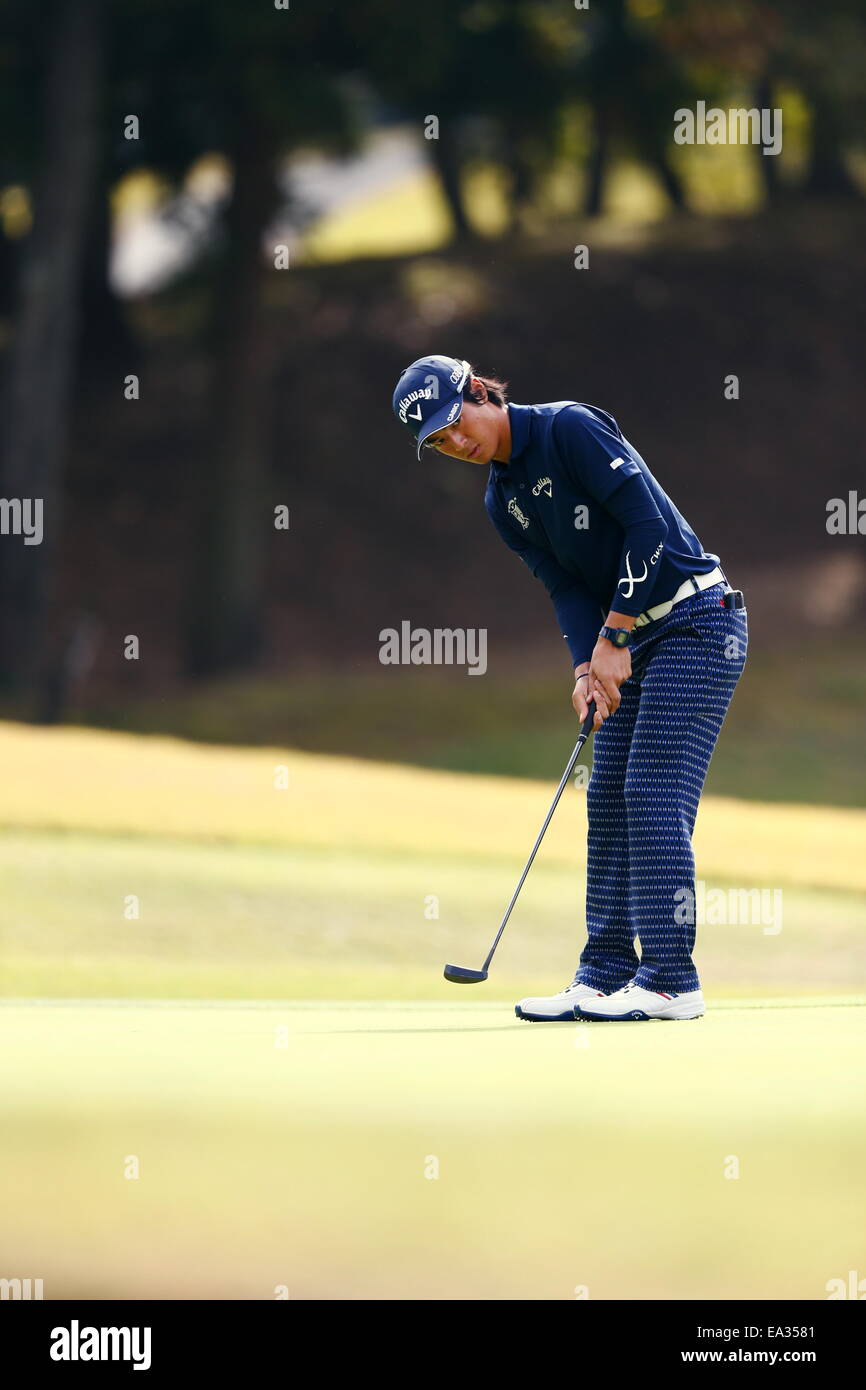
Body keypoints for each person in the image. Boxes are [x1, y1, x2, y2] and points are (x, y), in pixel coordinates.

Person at [391, 355, 748, 1022]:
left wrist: (613, 639)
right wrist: (586, 667)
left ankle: (672, 979)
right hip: (630, 641)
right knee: (607, 796)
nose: (456, 445)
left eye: (455, 424)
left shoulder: (570, 430)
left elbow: (650, 529)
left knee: (650, 790)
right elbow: (566, 587)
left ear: (477, 391)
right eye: (439, 443)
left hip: (701, 624)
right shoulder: (503, 502)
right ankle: (605, 972)